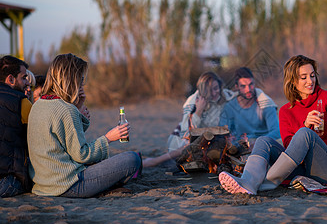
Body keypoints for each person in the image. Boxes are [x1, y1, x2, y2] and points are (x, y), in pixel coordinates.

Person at [219, 55, 327, 194]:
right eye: (303, 77)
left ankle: (265, 184)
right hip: (303, 171)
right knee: (263, 141)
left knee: (305, 134)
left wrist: (312, 141)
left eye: (312, 75)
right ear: (292, 81)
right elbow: (289, 148)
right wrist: (305, 125)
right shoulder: (285, 111)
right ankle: (248, 182)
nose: (310, 81)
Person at [27, 53, 142, 197]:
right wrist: (108, 138)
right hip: (68, 185)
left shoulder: (39, 105)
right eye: (81, 79)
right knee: (132, 159)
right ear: (71, 80)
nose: (82, 84)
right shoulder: (66, 109)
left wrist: (78, 106)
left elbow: (65, 142)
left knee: (105, 162)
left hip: (43, 185)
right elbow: (81, 155)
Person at [143, 71, 235, 167]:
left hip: (212, 136)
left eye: (216, 88)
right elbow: (188, 131)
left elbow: (238, 97)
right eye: (210, 90)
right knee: (191, 143)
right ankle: (155, 161)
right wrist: (198, 111)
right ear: (203, 91)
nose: (215, 93)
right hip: (183, 137)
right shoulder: (193, 101)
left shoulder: (224, 95)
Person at [219, 67, 280, 146]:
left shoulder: (265, 103)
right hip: (239, 147)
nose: (248, 89)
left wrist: (259, 142)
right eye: (243, 86)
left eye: (251, 84)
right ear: (236, 87)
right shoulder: (230, 107)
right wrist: (229, 138)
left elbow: (276, 131)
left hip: (263, 145)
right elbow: (223, 132)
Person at [0, 55, 32, 197]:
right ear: (11, 79)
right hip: (8, 179)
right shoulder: (22, 103)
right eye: (24, 77)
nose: (27, 83)